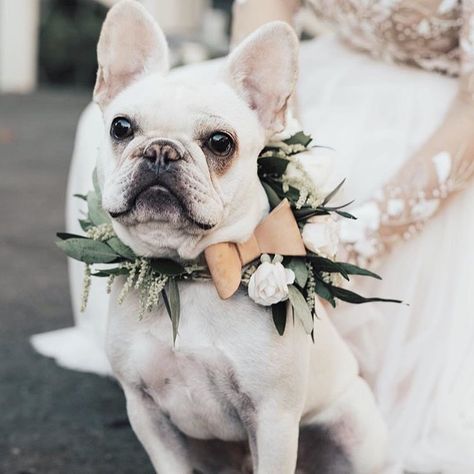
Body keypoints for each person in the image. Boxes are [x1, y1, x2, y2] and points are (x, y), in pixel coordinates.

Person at [33, 1, 474, 472]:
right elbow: (266, 14)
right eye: (124, 130)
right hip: (312, 62)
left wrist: (330, 231)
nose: (161, 159)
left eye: (216, 143)